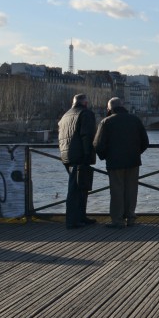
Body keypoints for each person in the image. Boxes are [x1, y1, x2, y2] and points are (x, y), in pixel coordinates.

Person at [94, 97, 149, 228]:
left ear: (110, 108)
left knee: (117, 190)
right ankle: (131, 217)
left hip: (114, 162)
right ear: (123, 106)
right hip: (133, 161)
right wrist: (136, 153)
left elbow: (97, 144)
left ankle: (118, 220)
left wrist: (105, 156)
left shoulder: (106, 122)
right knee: (131, 189)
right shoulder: (135, 120)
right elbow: (145, 142)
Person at [57, 93, 97, 229]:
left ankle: (80, 217)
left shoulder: (65, 115)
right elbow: (88, 135)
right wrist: (87, 154)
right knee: (77, 189)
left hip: (66, 155)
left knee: (77, 188)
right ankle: (73, 220)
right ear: (85, 103)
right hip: (80, 155)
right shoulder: (85, 114)